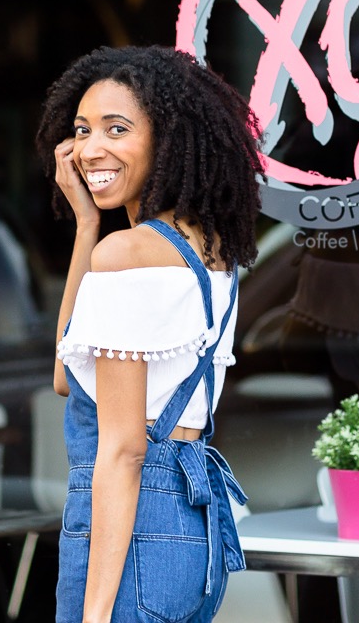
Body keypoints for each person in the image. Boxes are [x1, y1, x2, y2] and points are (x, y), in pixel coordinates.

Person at [36, 45, 263, 623]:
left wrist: (94, 614)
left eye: (117, 128)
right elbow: (68, 375)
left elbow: (123, 451)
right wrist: (88, 224)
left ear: (169, 139)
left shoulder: (128, 256)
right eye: (82, 130)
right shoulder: (210, 252)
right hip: (189, 526)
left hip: (131, 530)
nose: (90, 149)